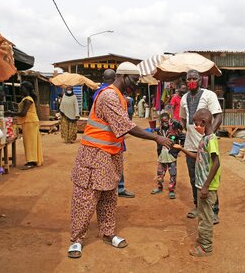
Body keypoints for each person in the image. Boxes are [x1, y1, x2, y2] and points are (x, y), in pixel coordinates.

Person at [67, 62, 173, 259]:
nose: (135, 85)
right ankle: (76, 239)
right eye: (133, 81)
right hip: (94, 155)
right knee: (86, 197)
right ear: (123, 77)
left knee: (109, 195)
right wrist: (156, 138)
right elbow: (126, 126)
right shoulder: (108, 95)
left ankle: (108, 232)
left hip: (110, 155)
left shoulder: (120, 97)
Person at [175, 108, 221, 257]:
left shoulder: (211, 139)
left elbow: (216, 163)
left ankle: (206, 247)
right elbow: (199, 158)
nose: (195, 127)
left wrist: (206, 186)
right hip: (201, 184)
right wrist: (181, 149)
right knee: (202, 215)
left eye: (196, 124)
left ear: (203, 122)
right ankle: (203, 239)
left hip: (206, 186)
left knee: (206, 217)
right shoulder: (204, 139)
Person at [179, 69, 222, 224]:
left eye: (194, 78)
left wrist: (209, 136)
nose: (191, 81)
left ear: (200, 80)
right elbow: (182, 118)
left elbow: (218, 115)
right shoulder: (184, 97)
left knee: (209, 178)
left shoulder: (209, 95)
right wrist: (185, 130)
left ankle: (213, 210)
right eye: (188, 78)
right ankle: (198, 206)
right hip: (190, 145)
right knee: (194, 178)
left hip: (205, 145)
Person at [93, 69, 135, 198]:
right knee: (111, 166)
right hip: (106, 140)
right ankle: (117, 188)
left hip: (108, 139)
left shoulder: (99, 92)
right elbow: (123, 123)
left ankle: (113, 189)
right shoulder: (109, 94)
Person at [4, 81, 43, 170]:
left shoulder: (28, 99)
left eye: (22, 88)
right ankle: (33, 160)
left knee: (30, 142)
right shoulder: (26, 99)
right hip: (29, 122)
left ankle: (31, 161)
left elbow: (23, 113)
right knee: (30, 142)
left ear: (26, 89)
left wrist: (11, 113)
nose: (20, 90)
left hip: (30, 122)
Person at [150, 113, 184, 199]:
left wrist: (180, 147)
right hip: (161, 156)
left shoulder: (174, 129)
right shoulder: (158, 130)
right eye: (162, 121)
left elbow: (183, 136)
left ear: (169, 120)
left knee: (172, 173)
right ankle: (159, 187)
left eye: (166, 120)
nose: (164, 122)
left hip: (172, 156)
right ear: (160, 122)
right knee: (160, 173)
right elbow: (151, 134)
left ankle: (171, 190)